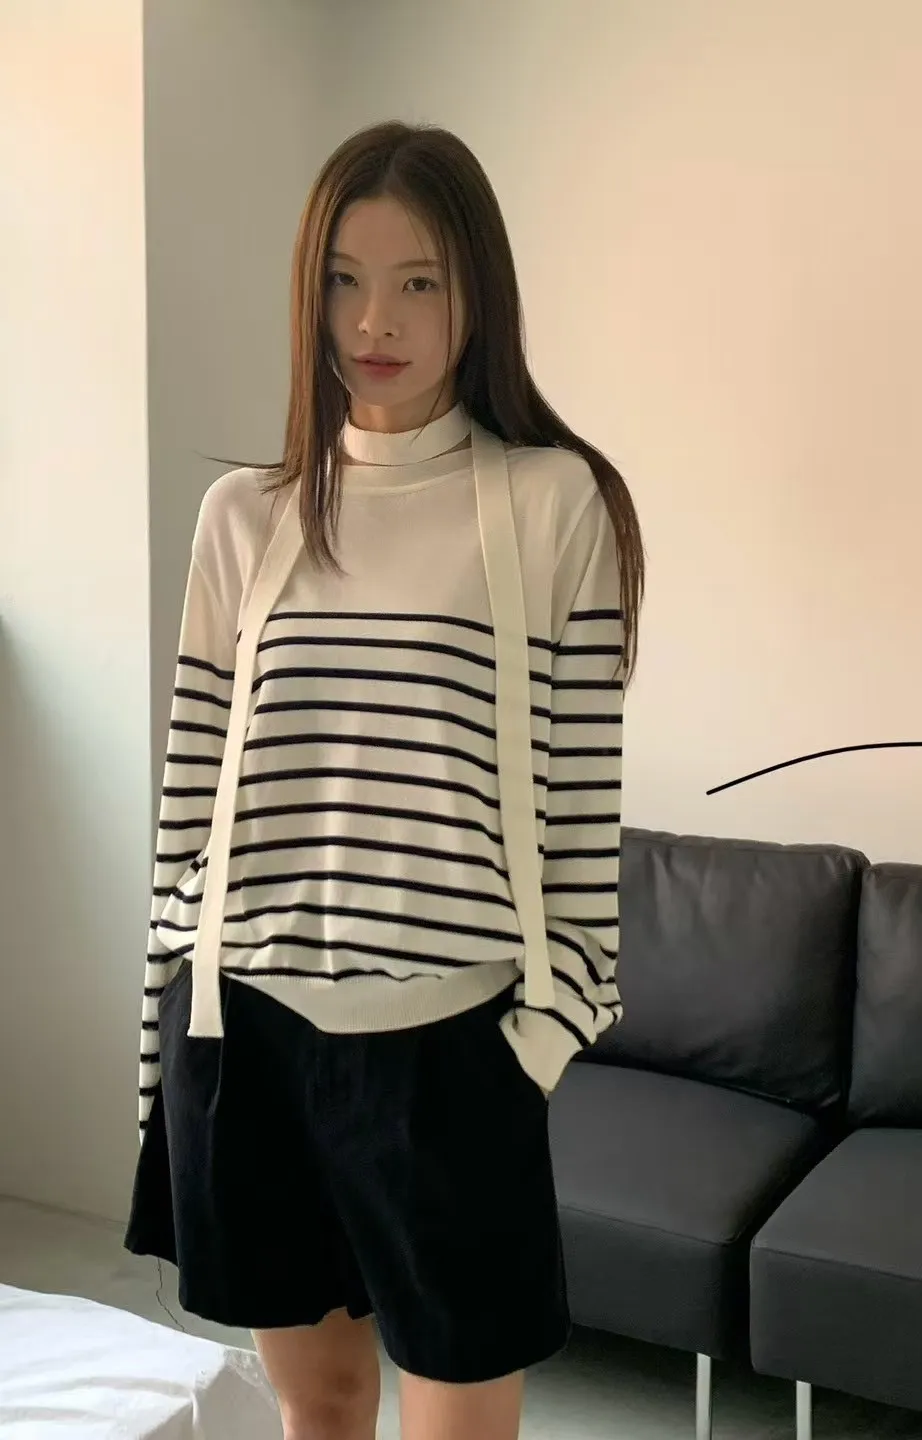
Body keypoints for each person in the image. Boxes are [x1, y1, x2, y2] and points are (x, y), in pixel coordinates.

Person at [125, 120, 644, 1440]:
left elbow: (583, 820)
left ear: (478, 294)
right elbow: (189, 803)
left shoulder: (554, 504)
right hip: (248, 1034)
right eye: (345, 280)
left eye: (420, 280)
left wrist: (540, 1041)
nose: (376, 320)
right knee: (323, 1409)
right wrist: (163, 1037)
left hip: (454, 1054)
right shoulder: (246, 517)